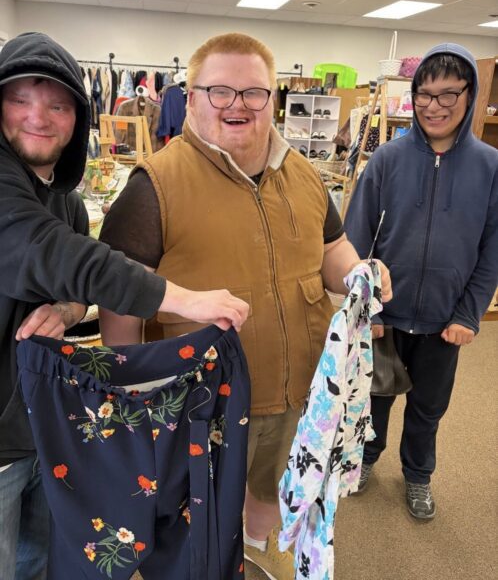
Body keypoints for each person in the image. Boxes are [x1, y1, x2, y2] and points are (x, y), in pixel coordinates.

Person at [98, 31, 392, 579]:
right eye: (220, 91)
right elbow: (120, 299)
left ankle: (258, 553)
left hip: (298, 388)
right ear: (191, 97)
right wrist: (133, 394)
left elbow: (331, 248)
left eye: (253, 92)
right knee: (197, 520)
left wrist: (358, 273)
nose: (238, 105)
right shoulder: (154, 185)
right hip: (203, 402)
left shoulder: (302, 174)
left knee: (272, 488)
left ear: (271, 100)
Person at [0, 31, 249, 580]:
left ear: (77, 115)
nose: (38, 117)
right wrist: (184, 299)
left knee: (45, 558)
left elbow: (70, 283)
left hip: (43, 420)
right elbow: (50, 252)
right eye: (19, 98)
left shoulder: (64, 197)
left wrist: (67, 311)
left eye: (57, 103)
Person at [345, 43, 498, 520]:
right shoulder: (388, 159)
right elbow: (354, 240)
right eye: (424, 95)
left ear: (470, 95)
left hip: (445, 321)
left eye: (448, 94)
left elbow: (491, 251)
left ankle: (417, 476)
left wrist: (468, 314)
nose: (434, 106)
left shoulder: (490, 167)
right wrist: (366, 309)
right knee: (375, 399)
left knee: (428, 409)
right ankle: (366, 460)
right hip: (385, 319)